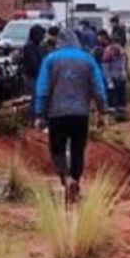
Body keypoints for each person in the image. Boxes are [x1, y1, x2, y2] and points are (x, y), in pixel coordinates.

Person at [34, 28, 108, 205]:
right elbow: (99, 89)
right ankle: (76, 180)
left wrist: (39, 113)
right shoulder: (88, 59)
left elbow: (42, 88)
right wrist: (102, 112)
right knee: (77, 150)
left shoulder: (50, 60)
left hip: (57, 113)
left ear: (58, 41)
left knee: (57, 149)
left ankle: (66, 178)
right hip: (81, 113)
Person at [100, 30, 129, 116]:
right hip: (113, 78)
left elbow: (125, 64)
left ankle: (122, 114)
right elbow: (105, 68)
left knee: (122, 98)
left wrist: (127, 75)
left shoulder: (122, 52)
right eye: (115, 43)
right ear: (112, 43)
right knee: (113, 98)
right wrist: (109, 81)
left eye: (118, 43)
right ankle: (113, 116)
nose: (117, 45)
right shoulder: (108, 52)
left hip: (121, 78)